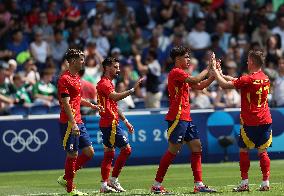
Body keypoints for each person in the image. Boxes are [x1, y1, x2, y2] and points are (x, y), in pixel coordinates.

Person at [151, 46, 216, 194]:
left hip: (186, 117)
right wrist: (208, 68)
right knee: (173, 150)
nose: (188, 60)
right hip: (177, 117)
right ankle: (156, 185)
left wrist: (213, 75)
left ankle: (199, 184)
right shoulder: (176, 72)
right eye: (186, 57)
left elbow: (199, 85)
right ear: (177, 59)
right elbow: (196, 79)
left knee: (196, 147)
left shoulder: (182, 74)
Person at [211, 50, 272, 192]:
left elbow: (225, 85)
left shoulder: (248, 79)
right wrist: (221, 74)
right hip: (265, 120)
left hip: (250, 121)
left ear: (251, 62)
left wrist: (215, 72)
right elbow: (238, 81)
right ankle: (265, 182)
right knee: (262, 152)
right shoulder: (266, 78)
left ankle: (244, 182)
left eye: (248, 60)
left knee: (243, 150)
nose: (246, 62)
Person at [56, 49, 103, 196]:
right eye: (81, 59)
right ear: (73, 60)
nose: (83, 62)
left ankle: (66, 177)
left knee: (89, 152)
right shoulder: (64, 79)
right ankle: (70, 188)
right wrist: (73, 123)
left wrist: (91, 105)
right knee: (72, 154)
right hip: (70, 122)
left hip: (78, 120)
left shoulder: (75, 77)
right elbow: (65, 103)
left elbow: (77, 99)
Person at [96, 57, 143, 193]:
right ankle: (112, 180)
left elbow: (114, 105)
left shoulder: (109, 83)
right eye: (115, 67)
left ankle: (105, 185)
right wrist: (132, 90)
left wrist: (126, 121)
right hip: (109, 124)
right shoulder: (104, 84)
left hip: (109, 122)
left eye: (118, 67)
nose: (118, 69)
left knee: (109, 154)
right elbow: (115, 97)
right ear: (107, 68)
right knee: (126, 150)